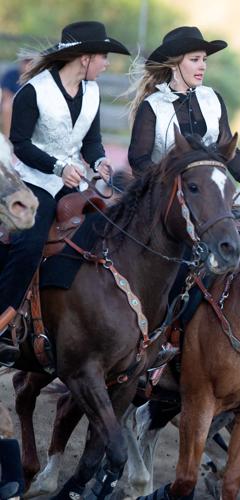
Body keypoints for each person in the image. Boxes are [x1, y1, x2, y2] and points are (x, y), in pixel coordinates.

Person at [0, 21, 130, 365]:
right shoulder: (34, 91)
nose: (106, 64)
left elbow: (92, 141)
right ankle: (3, 323)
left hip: (76, 184)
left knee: (112, 233)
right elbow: (21, 144)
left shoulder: (93, 92)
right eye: (103, 57)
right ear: (83, 58)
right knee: (29, 243)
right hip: (34, 182)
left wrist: (100, 160)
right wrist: (58, 168)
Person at [128, 26, 240, 201]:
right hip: (163, 199)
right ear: (174, 64)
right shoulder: (152, 106)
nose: (203, 66)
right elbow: (138, 160)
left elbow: (227, 147)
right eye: (195, 60)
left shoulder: (213, 98)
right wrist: (168, 181)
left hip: (209, 195)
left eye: (204, 60)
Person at [1, 57, 33, 137]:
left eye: (30, 62)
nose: (27, 65)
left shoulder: (36, 76)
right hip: (13, 102)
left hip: (30, 103)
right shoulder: (11, 74)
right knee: (7, 106)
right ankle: (8, 138)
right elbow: (5, 93)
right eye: (25, 62)